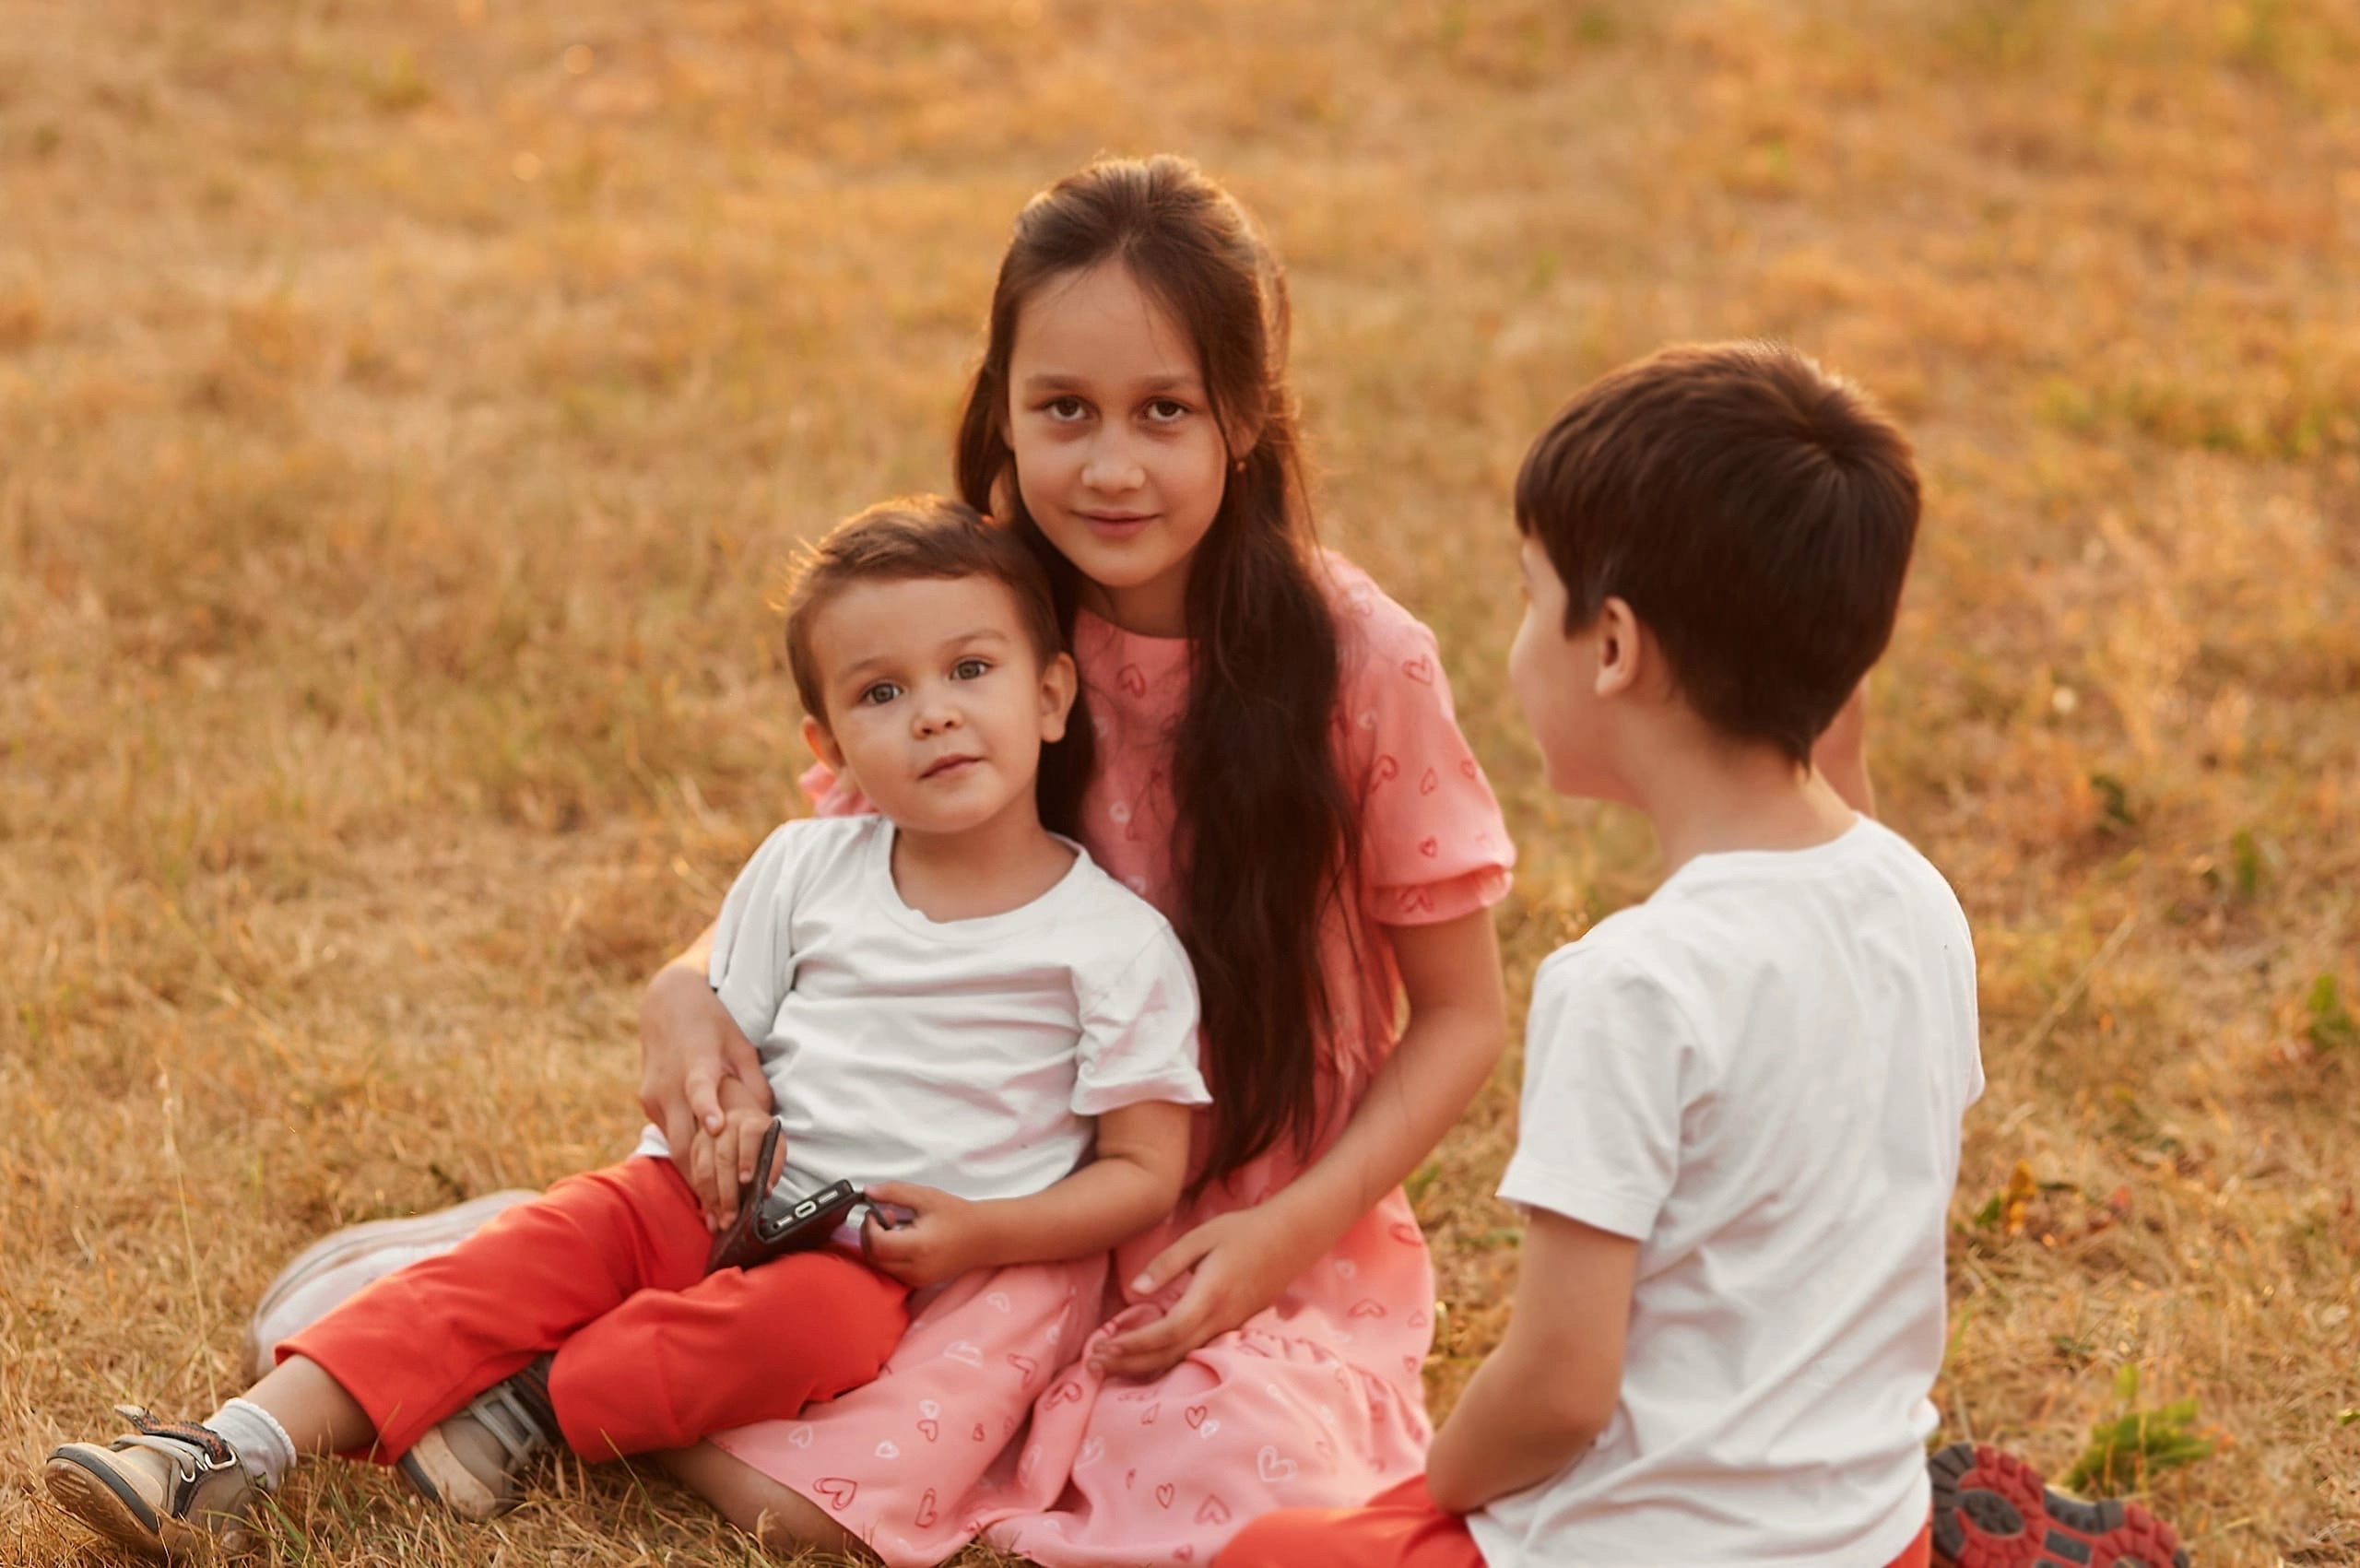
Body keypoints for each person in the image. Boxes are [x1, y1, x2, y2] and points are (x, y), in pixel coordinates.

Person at [633, 154, 1536, 1566]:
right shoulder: (971, 620)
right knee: (809, 1461)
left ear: (1245, 416)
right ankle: (616, 1384)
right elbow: (830, 870)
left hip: (1229, 1215)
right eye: (1064, 410)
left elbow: (1467, 1016)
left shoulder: (1361, 660)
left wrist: (1288, 1234)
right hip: (966, 1157)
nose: (1110, 465)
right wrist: (685, 990)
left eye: (1162, 412)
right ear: (1002, 408)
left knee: (1247, 1484)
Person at [43, 495, 1212, 1562]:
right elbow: (726, 1037)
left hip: (864, 1256)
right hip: (696, 1194)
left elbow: (1144, 1173)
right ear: (827, 746)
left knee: (806, 1334)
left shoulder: (1111, 944)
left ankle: (536, 1400)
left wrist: (980, 1235)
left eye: (970, 669)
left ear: (1052, 695)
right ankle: (214, 1453)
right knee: (517, 1262)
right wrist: (724, 1114)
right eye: (881, 693)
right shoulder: (809, 865)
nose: (935, 715)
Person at [1219, 343, 2185, 1568]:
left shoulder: (1629, 984)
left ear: (1613, 647)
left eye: (1530, 596)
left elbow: (1561, 1392)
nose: (1516, 644)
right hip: (1867, 1537)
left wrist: (1432, 1488)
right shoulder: (1917, 900)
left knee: (1273, 1554)